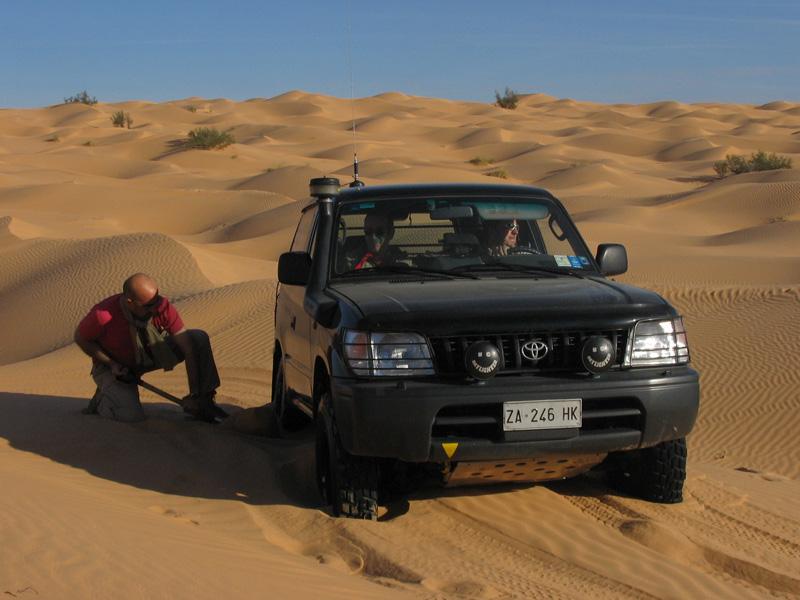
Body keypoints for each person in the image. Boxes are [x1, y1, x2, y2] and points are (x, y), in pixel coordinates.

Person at [74, 273, 226, 423]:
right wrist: (111, 363)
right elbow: (81, 339)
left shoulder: (161, 306)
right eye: (148, 305)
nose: (155, 308)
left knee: (197, 338)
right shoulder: (103, 315)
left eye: (157, 299)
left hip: (149, 354)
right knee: (131, 416)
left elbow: (188, 347)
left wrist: (194, 394)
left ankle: (205, 402)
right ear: (129, 302)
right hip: (115, 368)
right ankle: (103, 399)